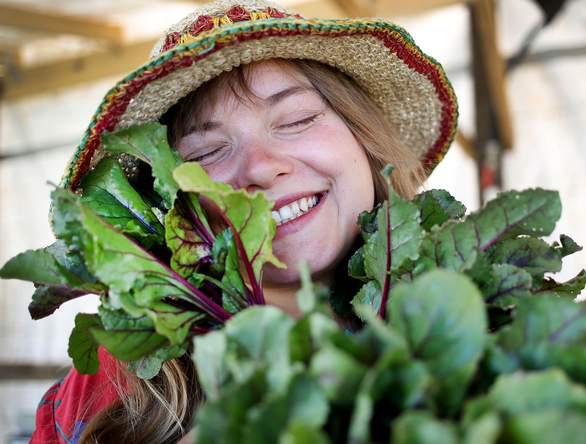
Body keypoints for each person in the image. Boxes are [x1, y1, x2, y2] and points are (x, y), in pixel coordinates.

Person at [31, 0, 458, 442]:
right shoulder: (113, 385)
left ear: (363, 137)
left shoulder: (490, 318)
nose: (259, 167)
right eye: (206, 153)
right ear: (173, 206)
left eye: (297, 119)